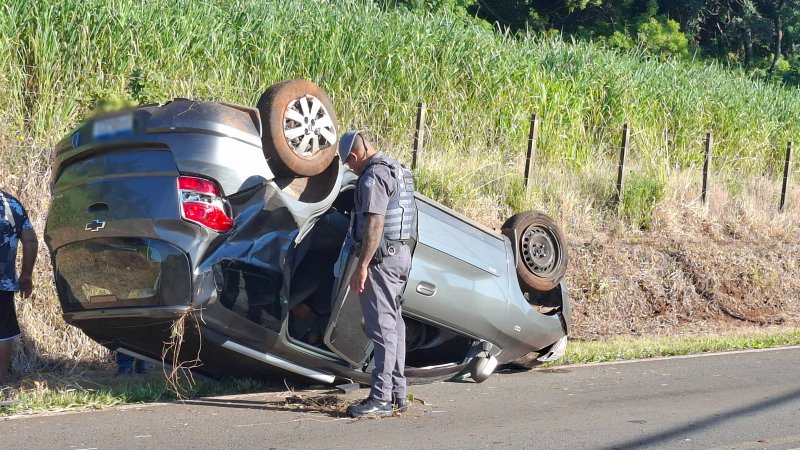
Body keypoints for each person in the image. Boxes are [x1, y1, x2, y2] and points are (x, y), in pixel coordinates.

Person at [339, 131, 418, 418]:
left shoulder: (373, 176)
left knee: (381, 329)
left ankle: (381, 399)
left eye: (349, 164)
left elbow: (375, 223)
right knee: (394, 325)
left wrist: (362, 265)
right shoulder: (397, 168)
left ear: (355, 156)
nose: (350, 168)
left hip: (382, 259)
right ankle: (398, 393)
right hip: (400, 255)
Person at [0, 189, 38, 384]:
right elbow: (30, 240)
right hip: (3, 283)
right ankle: (1, 380)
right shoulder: (12, 204)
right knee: (3, 332)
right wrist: (26, 275)